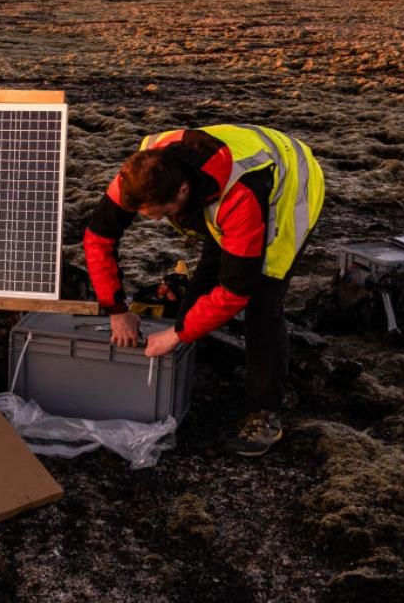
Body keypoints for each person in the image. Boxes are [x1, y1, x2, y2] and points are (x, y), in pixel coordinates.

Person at [83, 125, 325, 456]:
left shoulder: (240, 196)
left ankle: (265, 413)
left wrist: (176, 335)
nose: (153, 222)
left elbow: (236, 290)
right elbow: (99, 237)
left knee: (262, 301)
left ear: (181, 192)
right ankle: (180, 378)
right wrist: (116, 310)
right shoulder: (140, 173)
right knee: (203, 285)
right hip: (217, 190)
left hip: (287, 189)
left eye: (161, 215)